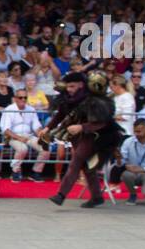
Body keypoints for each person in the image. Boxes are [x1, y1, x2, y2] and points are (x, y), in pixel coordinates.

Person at [40, 70, 123, 208]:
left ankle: (61, 195)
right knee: (86, 166)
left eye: (72, 86)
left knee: (76, 161)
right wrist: (47, 128)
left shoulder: (94, 99)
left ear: (81, 85)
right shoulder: (67, 98)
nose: (69, 89)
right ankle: (97, 197)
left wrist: (81, 127)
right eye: (67, 86)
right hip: (80, 136)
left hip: (100, 137)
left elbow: (103, 122)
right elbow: (60, 115)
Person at [0, 88, 46, 182]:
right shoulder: (9, 109)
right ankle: (15, 171)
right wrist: (19, 138)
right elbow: (6, 129)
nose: (23, 99)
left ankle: (36, 172)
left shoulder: (31, 109)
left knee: (46, 147)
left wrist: (42, 135)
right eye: (20, 97)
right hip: (13, 136)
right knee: (22, 148)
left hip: (29, 135)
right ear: (15, 98)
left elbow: (37, 126)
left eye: (25, 97)